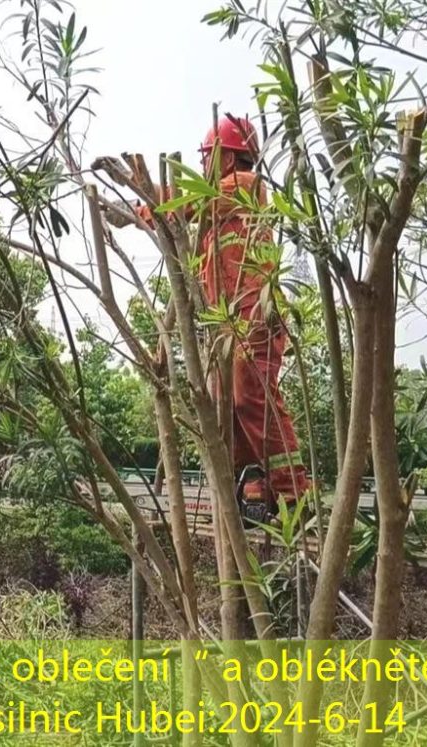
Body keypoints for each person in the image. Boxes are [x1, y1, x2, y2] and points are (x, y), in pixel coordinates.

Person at [136, 114, 311, 519]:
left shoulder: (245, 187)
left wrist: (141, 203)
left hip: (254, 316)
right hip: (227, 325)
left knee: (253, 395)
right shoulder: (216, 219)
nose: (202, 167)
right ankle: (253, 486)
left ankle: (292, 490)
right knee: (228, 404)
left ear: (228, 158)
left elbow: (185, 203)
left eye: (207, 158)